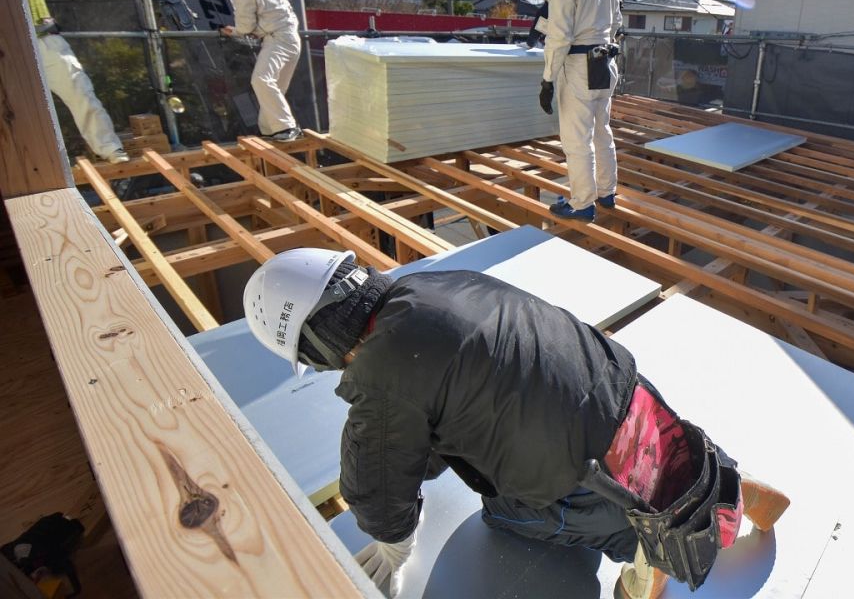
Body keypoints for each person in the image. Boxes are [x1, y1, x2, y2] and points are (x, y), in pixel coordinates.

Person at [243, 248, 790, 599]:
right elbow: (449, 397)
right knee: (653, 465)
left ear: (316, 342)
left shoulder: (381, 372)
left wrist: (392, 545)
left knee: (505, 516)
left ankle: (643, 555)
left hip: (580, 469)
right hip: (634, 407)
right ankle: (735, 491)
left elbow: (375, 488)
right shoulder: (437, 286)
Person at [7, 0, 128, 164]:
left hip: (44, 39)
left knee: (79, 91)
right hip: (8, 48)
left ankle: (109, 148)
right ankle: (30, 165)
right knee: (15, 112)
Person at [538, 0, 622, 222]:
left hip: (578, 65)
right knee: (602, 131)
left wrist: (547, 80)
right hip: (605, 61)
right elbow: (616, 22)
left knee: (577, 140)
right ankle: (607, 193)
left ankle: (582, 204)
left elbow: (558, 36)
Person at [211, 0, 302, 141]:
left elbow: (245, 27)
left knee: (261, 80)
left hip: (277, 39)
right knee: (274, 87)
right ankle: (269, 129)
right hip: (290, 38)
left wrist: (233, 31)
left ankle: (286, 127)